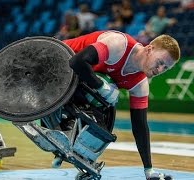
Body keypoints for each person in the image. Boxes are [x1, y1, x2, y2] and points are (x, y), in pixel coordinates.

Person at [62, 30, 180, 180]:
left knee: (104, 124)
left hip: (76, 84)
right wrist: (100, 86)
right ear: (150, 49)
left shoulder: (140, 85)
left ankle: (75, 154)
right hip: (57, 56)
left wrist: (148, 171)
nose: (160, 70)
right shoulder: (119, 44)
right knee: (103, 93)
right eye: (160, 62)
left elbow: (140, 127)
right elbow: (76, 62)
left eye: (166, 68)